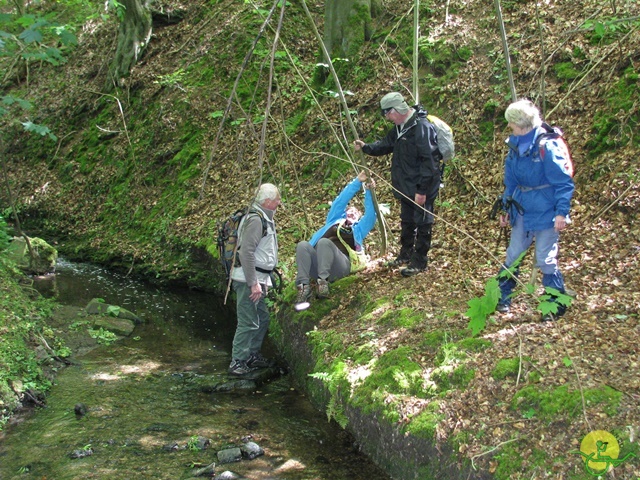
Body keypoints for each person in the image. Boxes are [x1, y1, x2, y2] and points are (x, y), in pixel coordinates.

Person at [495, 99, 574, 321]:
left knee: (545, 258)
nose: (509, 127)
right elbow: (510, 181)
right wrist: (505, 207)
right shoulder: (515, 145)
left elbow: (563, 182)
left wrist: (561, 212)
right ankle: (502, 297)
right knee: (514, 253)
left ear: (521, 124)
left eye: (511, 123)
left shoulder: (548, 146)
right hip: (521, 207)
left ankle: (555, 304)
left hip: (547, 210)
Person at [354, 92, 442, 277]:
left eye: (386, 113)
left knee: (423, 222)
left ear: (395, 110)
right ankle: (406, 254)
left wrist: (422, 191)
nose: (386, 117)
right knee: (407, 220)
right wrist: (366, 147)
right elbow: (385, 145)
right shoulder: (400, 127)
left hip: (421, 187)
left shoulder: (421, 128)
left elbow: (430, 162)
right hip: (406, 186)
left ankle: (419, 261)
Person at [294, 171, 377, 310]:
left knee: (325, 243)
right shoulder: (333, 220)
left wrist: (368, 191)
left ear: (358, 218)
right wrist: (357, 181)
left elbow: (371, 215)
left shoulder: (358, 230)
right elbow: (340, 201)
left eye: (356, 213)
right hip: (317, 264)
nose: (352, 212)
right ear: (344, 213)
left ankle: (323, 284)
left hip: (340, 266)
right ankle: (304, 287)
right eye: (350, 210)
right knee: (303, 245)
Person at [228, 183, 281, 376]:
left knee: (262, 318)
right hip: (247, 281)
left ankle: (252, 355)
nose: (279, 202)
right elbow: (246, 252)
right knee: (248, 320)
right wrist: (253, 283)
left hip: (258, 279)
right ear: (267, 201)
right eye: (276, 199)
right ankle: (238, 361)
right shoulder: (256, 220)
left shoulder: (263, 218)